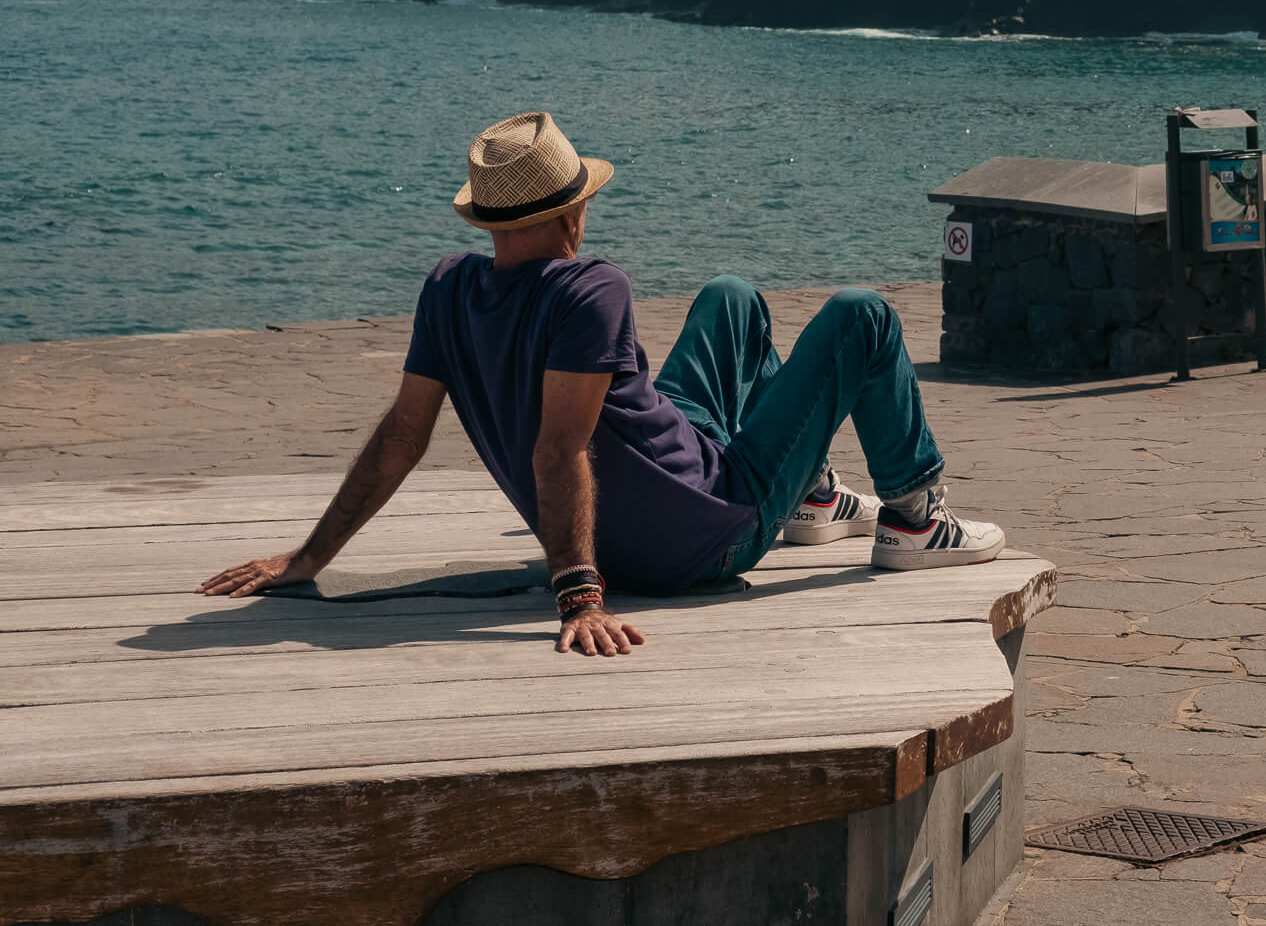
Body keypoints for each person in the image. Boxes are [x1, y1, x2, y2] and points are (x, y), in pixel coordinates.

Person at [200, 111, 1004, 656]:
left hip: (683, 463)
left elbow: (402, 436)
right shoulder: (591, 289)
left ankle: (817, 499)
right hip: (713, 532)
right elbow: (561, 447)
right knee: (861, 316)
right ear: (573, 215)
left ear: (485, 223)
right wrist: (580, 594)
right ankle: (912, 517)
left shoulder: (449, 288)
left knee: (731, 296)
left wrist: (311, 555)